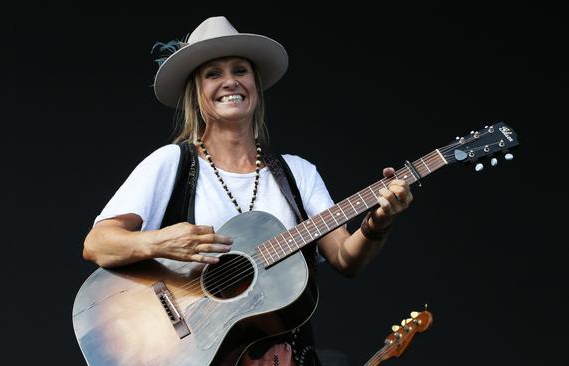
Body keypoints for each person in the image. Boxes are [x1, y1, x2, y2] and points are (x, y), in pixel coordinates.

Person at [82, 16, 413, 366]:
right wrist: (162, 242)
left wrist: (379, 221)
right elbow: (97, 244)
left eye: (240, 70)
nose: (229, 82)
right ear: (197, 91)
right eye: (213, 74)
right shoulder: (171, 163)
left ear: (255, 83)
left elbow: (346, 259)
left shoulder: (297, 173)